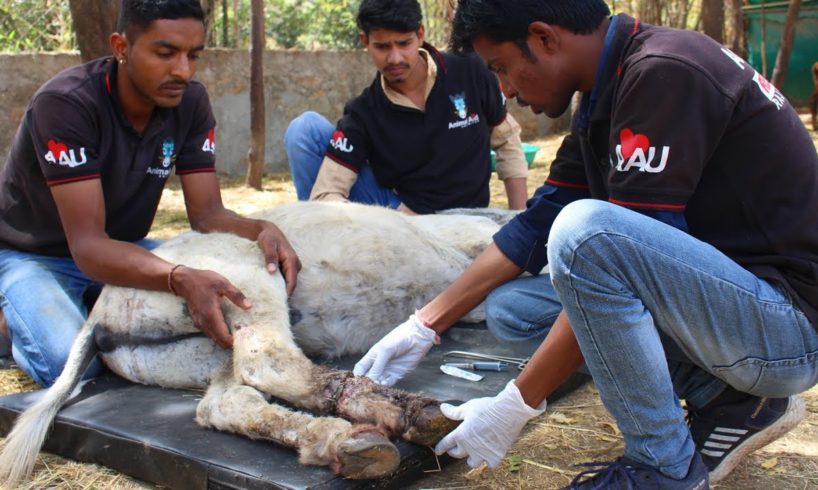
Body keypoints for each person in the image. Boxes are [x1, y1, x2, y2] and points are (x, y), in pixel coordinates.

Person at [354, 0, 818, 488]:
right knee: (514, 309)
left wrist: (515, 403)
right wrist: (424, 324)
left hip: (785, 331)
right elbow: (535, 225)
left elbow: (604, 251)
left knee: (588, 233)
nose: (505, 91)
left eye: (503, 69)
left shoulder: (665, 72)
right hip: (735, 305)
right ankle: (733, 401)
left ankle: (662, 467)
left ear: (545, 38)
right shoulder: (605, 89)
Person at [0, 0, 301, 388]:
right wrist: (178, 277)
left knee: (238, 292)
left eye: (193, 55)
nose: (183, 70)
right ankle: (10, 324)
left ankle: (93, 306)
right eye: (165, 53)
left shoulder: (190, 102)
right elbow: (88, 246)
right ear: (121, 47)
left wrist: (261, 228)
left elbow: (208, 216)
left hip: (129, 246)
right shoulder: (65, 104)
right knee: (71, 366)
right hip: (34, 255)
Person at [283, 0, 529, 215]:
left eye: (404, 43)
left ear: (420, 34)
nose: (395, 58)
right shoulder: (363, 112)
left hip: (469, 219)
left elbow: (507, 140)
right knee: (305, 129)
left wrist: (518, 218)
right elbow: (326, 196)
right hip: (401, 217)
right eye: (382, 46)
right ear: (365, 41)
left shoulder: (470, 69)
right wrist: (390, 224)